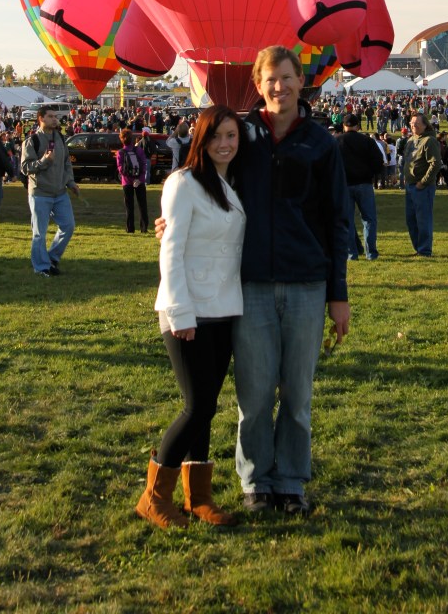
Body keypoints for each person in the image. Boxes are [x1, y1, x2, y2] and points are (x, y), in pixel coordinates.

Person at [155, 46, 351, 516]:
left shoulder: (322, 143)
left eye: (286, 77)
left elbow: (338, 220)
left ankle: (291, 481)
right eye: (270, 80)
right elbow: (209, 177)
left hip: (306, 283)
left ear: (301, 80)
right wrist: (171, 220)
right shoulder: (244, 136)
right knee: (256, 393)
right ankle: (256, 481)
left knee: (297, 394)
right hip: (251, 286)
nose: (279, 87)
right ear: (258, 85)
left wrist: (338, 293)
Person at [136, 105, 247, 530]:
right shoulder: (183, 182)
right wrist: (180, 311)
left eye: (232, 136)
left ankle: (198, 498)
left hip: (223, 308)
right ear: (200, 138)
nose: (225, 144)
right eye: (216, 136)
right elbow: (172, 249)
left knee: (207, 408)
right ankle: (153, 497)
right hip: (188, 310)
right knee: (197, 406)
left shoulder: (229, 184)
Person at [20, 107, 80, 277]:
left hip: (60, 192)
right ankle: (41, 267)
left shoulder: (60, 138)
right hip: (40, 193)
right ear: (41, 118)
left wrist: (71, 182)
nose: (55, 119)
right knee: (39, 233)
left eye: (56, 116)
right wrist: (44, 160)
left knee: (68, 226)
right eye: (50, 116)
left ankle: (52, 258)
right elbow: (25, 168)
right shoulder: (32, 141)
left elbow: (66, 163)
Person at [338, 113, 382, 261]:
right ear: (358, 126)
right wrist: (371, 174)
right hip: (364, 183)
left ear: (344, 126)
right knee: (369, 219)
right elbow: (378, 161)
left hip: (345, 185)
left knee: (347, 220)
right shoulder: (367, 141)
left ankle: (352, 253)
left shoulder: (336, 141)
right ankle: (371, 253)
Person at [404, 112, 442, 257]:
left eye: (417, 124)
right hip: (410, 184)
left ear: (425, 125)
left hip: (422, 187)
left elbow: (435, 163)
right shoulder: (411, 140)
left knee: (423, 219)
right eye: (412, 123)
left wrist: (423, 182)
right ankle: (418, 248)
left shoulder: (429, 141)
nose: (413, 126)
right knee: (411, 219)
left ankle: (424, 250)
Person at [116, 128, 148, 232]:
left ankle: (130, 228)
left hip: (126, 181)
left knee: (129, 206)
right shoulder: (139, 150)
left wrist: (129, 178)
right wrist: (139, 179)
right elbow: (144, 165)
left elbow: (120, 168)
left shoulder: (120, 152)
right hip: (140, 180)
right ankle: (144, 227)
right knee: (142, 205)